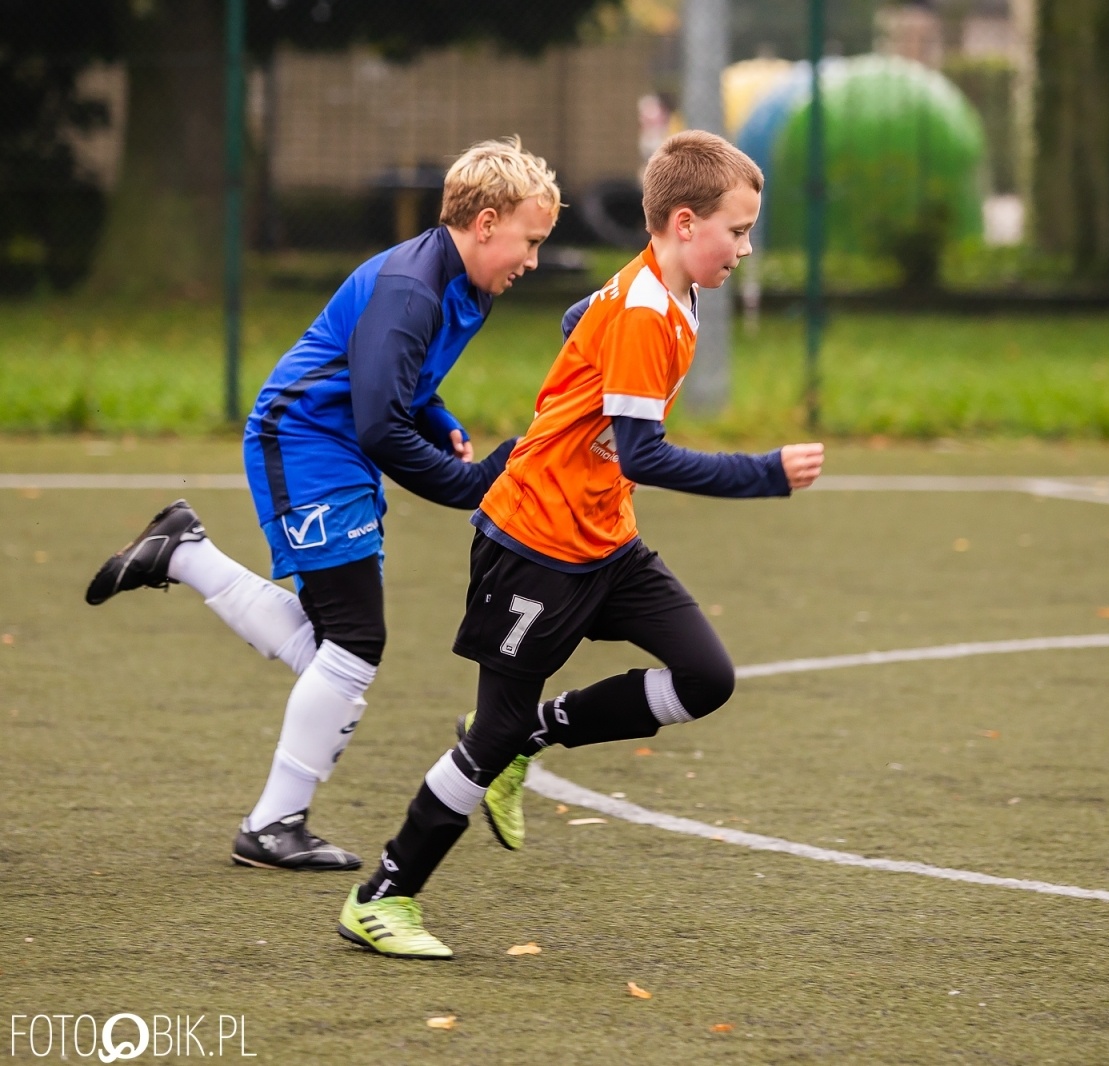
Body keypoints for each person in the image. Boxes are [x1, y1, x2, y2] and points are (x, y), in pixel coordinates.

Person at [336, 130, 825, 959]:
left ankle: (540, 734)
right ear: (681, 222)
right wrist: (762, 473)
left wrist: (582, 364)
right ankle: (384, 895)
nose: (745, 248)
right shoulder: (642, 309)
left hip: (605, 540)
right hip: (534, 543)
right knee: (486, 735)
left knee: (706, 678)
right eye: (736, 231)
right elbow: (644, 454)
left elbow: (579, 319)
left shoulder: (666, 292)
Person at [83, 137, 561, 871]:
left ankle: (184, 553)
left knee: (337, 642)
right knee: (353, 643)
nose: (531, 260)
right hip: (305, 442)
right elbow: (375, 420)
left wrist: (438, 419)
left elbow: (398, 379)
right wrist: (472, 483)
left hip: (335, 447)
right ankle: (272, 824)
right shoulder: (414, 288)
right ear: (487, 222)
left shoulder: (466, 284)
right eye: (529, 241)